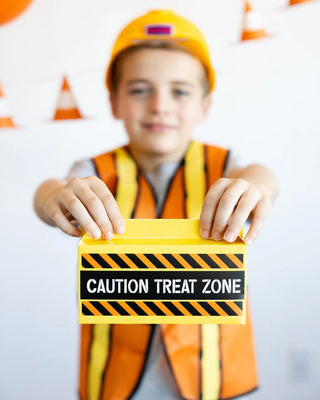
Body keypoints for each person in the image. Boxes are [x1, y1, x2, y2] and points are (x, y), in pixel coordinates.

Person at [34, 9, 278, 400]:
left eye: (180, 91)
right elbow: (51, 190)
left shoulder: (223, 166)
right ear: (114, 102)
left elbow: (260, 174)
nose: (159, 105)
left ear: (205, 105)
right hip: (113, 379)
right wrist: (51, 199)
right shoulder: (94, 171)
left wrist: (258, 186)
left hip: (213, 377)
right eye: (139, 89)